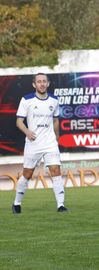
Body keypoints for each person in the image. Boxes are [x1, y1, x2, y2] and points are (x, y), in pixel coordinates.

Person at [12, 73, 68, 214]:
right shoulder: (26, 100)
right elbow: (19, 121)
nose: (42, 84)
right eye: (39, 81)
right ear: (34, 84)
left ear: (48, 83)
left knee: (56, 171)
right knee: (27, 174)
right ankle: (17, 203)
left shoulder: (54, 100)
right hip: (33, 143)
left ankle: (60, 205)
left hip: (50, 143)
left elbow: (55, 120)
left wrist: (57, 138)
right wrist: (27, 132)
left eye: (44, 81)